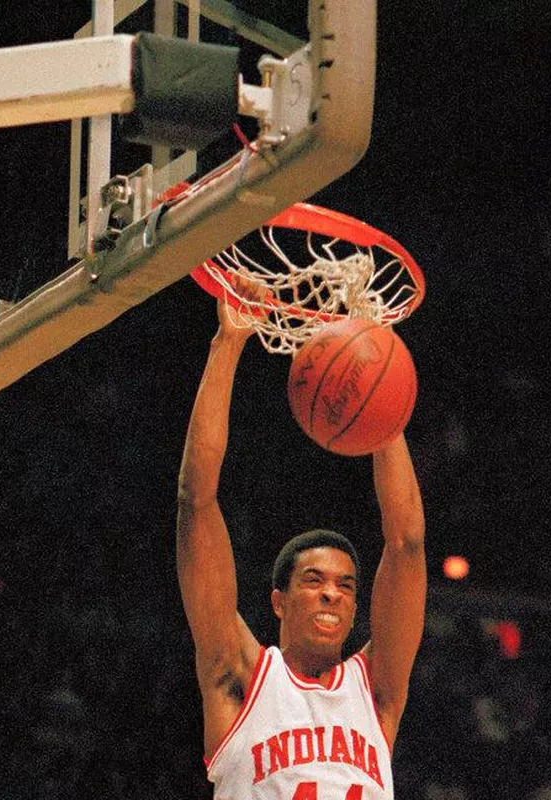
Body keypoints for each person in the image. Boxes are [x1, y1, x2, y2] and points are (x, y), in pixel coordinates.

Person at [176, 287, 427, 799]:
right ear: (279, 601)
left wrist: (380, 410)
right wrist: (229, 342)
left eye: (345, 585)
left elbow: (406, 545)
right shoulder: (241, 674)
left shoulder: (376, 694)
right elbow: (196, 502)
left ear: (357, 609)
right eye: (313, 581)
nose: (332, 593)